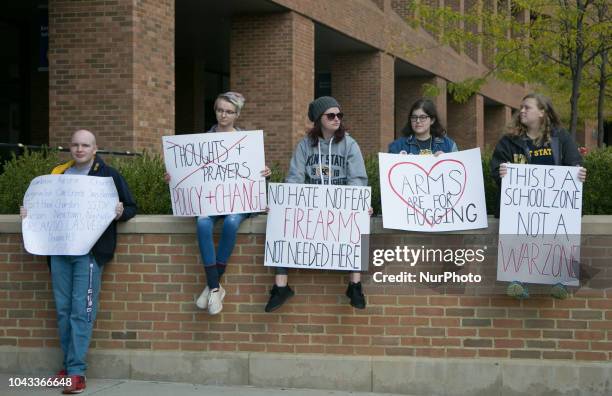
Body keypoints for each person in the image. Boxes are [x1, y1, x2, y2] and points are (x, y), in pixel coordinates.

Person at [20, 129, 136, 394]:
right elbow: (45, 207)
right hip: (59, 251)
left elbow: (130, 207)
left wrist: (120, 212)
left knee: (81, 311)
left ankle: (76, 372)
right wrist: (29, 212)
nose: (80, 149)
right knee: (62, 310)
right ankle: (68, 367)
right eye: (75, 145)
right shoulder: (58, 173)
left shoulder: (108, 175)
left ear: (95, 149)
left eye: (85, 145)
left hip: (90, 253)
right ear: (69, 148)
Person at [166, 92, 270, 315]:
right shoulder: (201, 141)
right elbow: (191, 173)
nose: (223, 115)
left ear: (237, 114)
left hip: (237, 202)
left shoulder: (246, 141)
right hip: (210, 201)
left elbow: (253, 172)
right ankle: (215, 287)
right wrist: (174, 175)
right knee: (203, 223)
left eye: (229, 112)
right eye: (220, 110)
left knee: (232, 223)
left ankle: (211, 286)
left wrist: (265, 173)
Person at [264, 96, 371, 313]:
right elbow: (295, 177)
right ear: (318, 119)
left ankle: (355, 285)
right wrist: (282, 203)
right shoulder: (305, 145)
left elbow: (358, 179)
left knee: (359, 226)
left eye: (339, 115)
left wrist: (357, 205)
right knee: (282, 226)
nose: (336, 119)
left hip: (340, 209)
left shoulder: (350, 144)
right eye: (331, 115)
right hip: (312, 210)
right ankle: (280, 286)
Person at [490, 93, 587, 300]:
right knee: (522, 240)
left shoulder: (561, 138)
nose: (522, 111)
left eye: (527, 107)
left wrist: (579, 172)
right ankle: (517, 280)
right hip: (519, 210)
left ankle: (559, 281)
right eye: (521, 107)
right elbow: (496, 168)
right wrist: (501, 173)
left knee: (555, 238)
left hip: (554, 208)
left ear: (542, 112)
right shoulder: (510, 141)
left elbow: (573, 164)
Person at [388, 98, 458, 155]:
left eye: (423, 117)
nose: (418, 121)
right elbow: (389, 170)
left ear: (432, 120)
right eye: (414, 117)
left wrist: (446, 161)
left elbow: (458, 169)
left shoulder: (448, 145)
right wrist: (400, 162)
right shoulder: (397, 146)